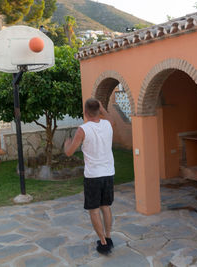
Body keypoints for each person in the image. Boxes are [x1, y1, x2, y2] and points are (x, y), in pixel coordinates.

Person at [64, 98, 115, 255]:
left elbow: (69, 152)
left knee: (94, 210)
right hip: (108, 173)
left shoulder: (83, 129)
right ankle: (108, 236)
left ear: (85, 112)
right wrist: (102, 109)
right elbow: (111, 119)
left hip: (93, 176)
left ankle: (104, 243)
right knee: (105, 207)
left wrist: (68, 142)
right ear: (99, 110)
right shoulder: (108, 124)